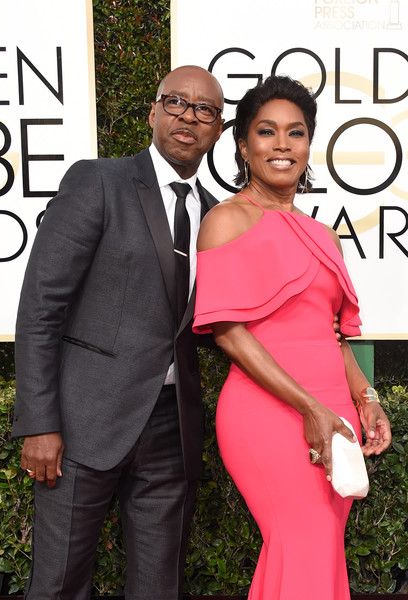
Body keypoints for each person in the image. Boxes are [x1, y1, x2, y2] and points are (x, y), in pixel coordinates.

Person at [11, 65, 224, 600]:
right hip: (84, 422)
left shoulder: (219, 216)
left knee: (159, 588)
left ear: (217, 130)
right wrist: (38, 421)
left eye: (205, 109)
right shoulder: (98, 181)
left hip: (172, 428)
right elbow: (41, 307)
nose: (188, 116)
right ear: (153, 112)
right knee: (59, 584)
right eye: (177, 102)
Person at [193, 75, 392, 600]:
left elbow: (334, 334)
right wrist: (309, 407)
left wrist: (365, 398)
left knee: (315, 547)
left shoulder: (322, 233)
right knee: (301, 539)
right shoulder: (226, 220)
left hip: (332, 411)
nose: (283, 144)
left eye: (296, 132)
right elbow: (229, 334)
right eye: (266, 131)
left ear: (308, 145)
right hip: (269, 412)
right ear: (243, 145)